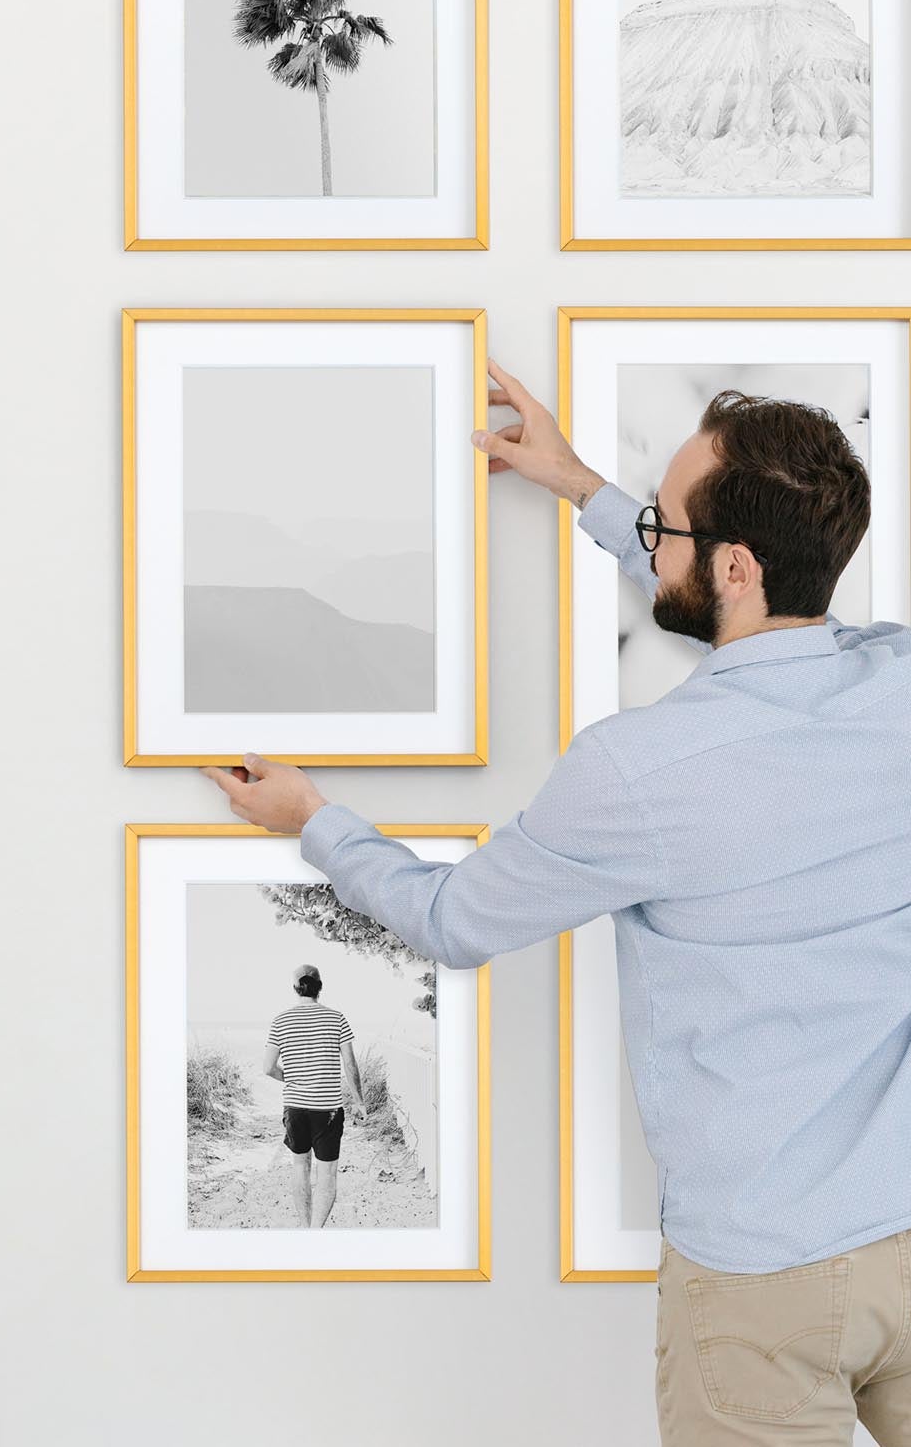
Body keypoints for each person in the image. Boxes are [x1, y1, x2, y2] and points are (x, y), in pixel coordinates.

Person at [203, 356, 911, 1444]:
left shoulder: (637, 771)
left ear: (730, 564)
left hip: (765, 1280)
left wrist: (314, 823)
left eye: (661, 525)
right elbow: (740, 609)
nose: (651, 538)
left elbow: (453, 921)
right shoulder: (894, 682)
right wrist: (584, 487)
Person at [263, 963, 368, 1228]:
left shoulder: (281, 1020)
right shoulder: (336, 1018)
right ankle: (315, 1230)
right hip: (328, 1109)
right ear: (320, 987)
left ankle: (303, 1225)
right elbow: (350, 1064)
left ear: (295, 988)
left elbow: (267, 1068)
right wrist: (359, 1101)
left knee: (300, 1166)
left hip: (296, 1107)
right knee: (327, 1172)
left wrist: (291, 1078)